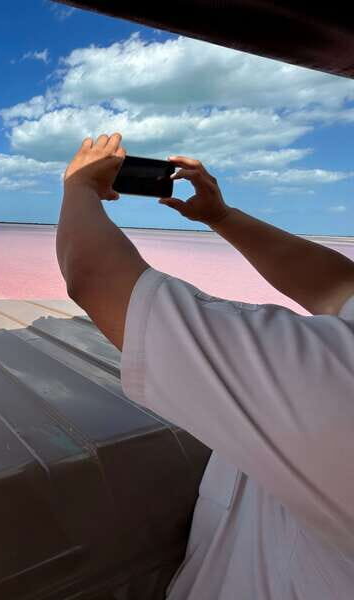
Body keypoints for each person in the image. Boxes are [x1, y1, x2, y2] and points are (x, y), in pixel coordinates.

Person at [57, 132, 354, 598]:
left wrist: (78, 188)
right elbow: (339, 286)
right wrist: (221, 217)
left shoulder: (336, 377)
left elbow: (99, 281)